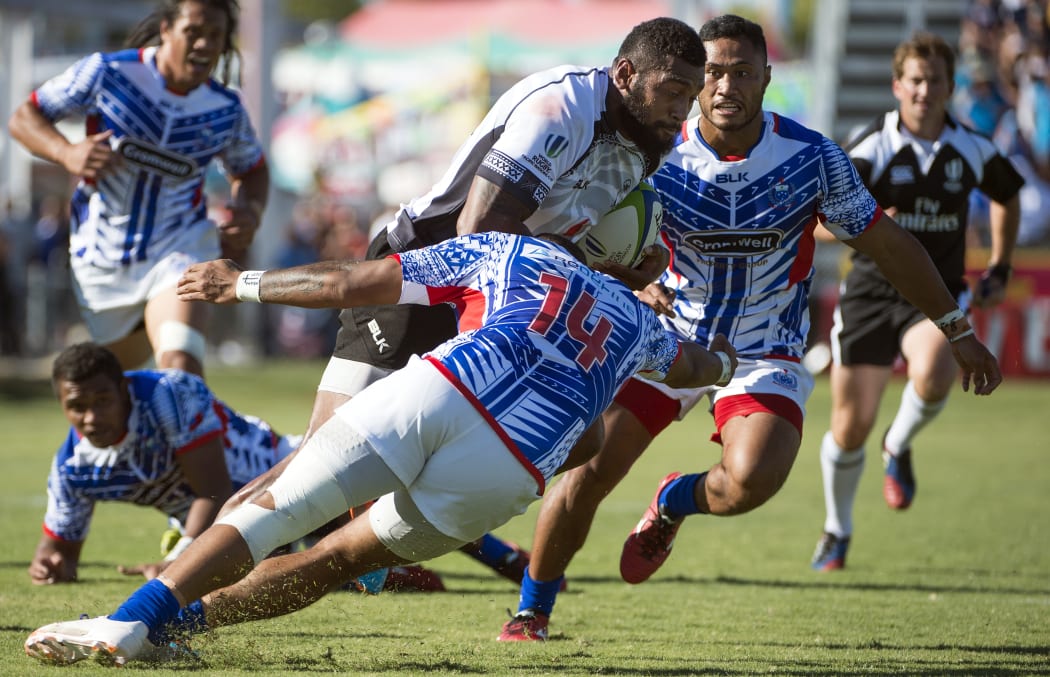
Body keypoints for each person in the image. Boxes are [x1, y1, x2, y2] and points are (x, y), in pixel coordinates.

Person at [496, 14, 1005, 642]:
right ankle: (531, 612)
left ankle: (673, 501)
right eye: (712, 72)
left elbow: (889, 244)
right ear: (696, 78)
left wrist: (956, 328)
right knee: (591, 470)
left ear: (767, 77)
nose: (725, 86)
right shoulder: (651, 150)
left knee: (754, 479)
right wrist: (629, 279)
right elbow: (581, 233)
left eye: (742, 72)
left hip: (766, 345)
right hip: (664, 335)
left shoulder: (813, 157)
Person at [24, 230, 738, 665]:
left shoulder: (511, 249)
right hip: (506, 467)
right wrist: (730, 363)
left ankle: (135, 620)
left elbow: (345, 282)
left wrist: (236, 283)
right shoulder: (639, 327)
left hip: (443, 390)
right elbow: (694, 370)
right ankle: (176, 628)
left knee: (279, 508)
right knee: (338, 558)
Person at [206, 15, 705, 582]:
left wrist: (627, 267)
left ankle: (361, 536)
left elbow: (581, 233)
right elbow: (481, 228)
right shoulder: (561, 108)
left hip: (505, 297)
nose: (682, 108)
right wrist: (584, 269)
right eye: (672, 91)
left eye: (691, 94)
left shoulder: (649, 139)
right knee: (310, 467)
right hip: (423, 275)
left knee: (581, 435)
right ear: (624, 74)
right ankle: (184, 584)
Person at [810, 32, 1023, 571]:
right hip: (868, 295)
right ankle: (836, 531)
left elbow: (1008, 194)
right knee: (849, 428)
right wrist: (876, 227)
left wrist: (1000, 263)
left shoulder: (972, 147)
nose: (925, 90)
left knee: (933, 371)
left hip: (938, 295)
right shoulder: (870, 146)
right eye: (915, 80)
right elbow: (819, 221)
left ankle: (897, 445)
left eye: (935, 81)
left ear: (951, 88)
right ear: (897, 86)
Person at [6, 0, 269, 377]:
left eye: (215, 36)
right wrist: (65, 151)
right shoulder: (107, 72)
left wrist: (249, 212)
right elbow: (24, 117)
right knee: (121, 389)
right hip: (101, 260)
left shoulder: (225, 109)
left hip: (179, 248)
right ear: (166, 29)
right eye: (193, 32)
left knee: (181, 369)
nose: (204, 45)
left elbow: (254, 170)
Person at [29, 342, 300, 586]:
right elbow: (60, 549)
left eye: (103, 401)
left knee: (336, 517)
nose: (92, 418)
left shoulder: (168, 395)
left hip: (284, 469)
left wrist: (180, 560)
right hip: (229, 531)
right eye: (78, 406)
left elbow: (215, 491)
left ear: (123, 391)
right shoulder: (73, 469)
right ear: (61, 405)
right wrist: (49, 565)